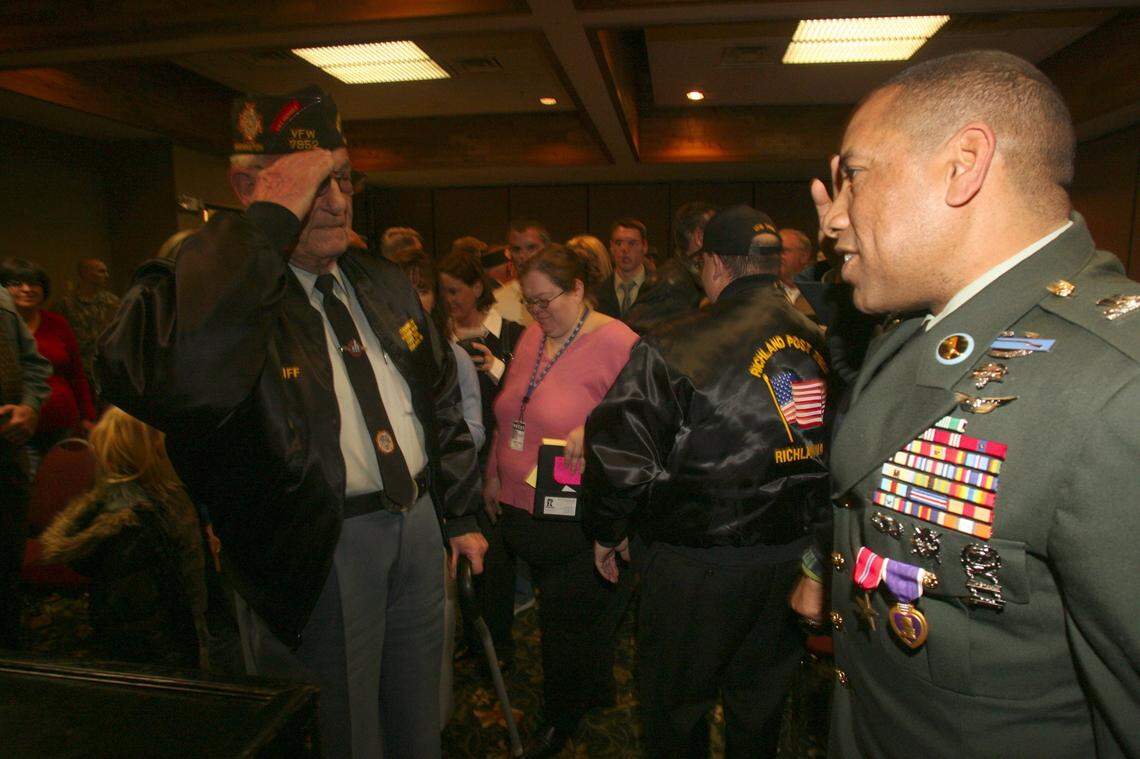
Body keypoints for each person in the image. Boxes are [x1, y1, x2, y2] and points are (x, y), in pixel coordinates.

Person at [97, 86, 486, 759]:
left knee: (420, 715)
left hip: (417, 526)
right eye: (311, 184)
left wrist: (461, 512)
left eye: (343, 178)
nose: (335, 200)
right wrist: (265, 229)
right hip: (316, 544)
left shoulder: (380, 278)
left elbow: (440, 395)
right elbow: (166, 376)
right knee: (342, 732)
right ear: (250, 187)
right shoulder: (230, 294)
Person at [789, 50, 1140, 758]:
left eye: (853, 177)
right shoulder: (925, 327)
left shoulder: (1116, 386)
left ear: (963, 163)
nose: (833, 218)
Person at [584, 205, 831, 758]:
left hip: (698, 564)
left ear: (716, 265)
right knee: (760, 706)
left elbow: (620, 454)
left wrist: (607, 528)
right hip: (792, 560)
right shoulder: (821, 339)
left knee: (676, 707)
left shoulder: (674, 342)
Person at [484, 243, 638, 757]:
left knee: (563, 623)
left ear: (578, 288)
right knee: (570, 615)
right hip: (517, 499)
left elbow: (649, 418)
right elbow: (509, 411)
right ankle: (591, 691)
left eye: (546, 300)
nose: (537, 312)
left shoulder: (617, 340)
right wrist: (491, 473)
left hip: (574, 507)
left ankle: (561, 718)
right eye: (529, 302)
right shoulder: (532, 336)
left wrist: (595, 427)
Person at [39, 407, 210, 669]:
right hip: (165, 657)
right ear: (150, 449)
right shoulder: (138, 524)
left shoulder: (149, 505)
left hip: (167, 640)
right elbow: (145, 618)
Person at [436, 247, 525, 667]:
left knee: (498, 557)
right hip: (455, 464)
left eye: (455, 290)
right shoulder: (438, 338)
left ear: (477, 287)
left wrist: (495, 367)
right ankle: (472, 640)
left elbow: (530, 399)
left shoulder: (511, 334)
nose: (449, 299)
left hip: (497, 461)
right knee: (460, 557)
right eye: (443, 292)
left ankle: (499, 645)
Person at [1, 258, 98, 456]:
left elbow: (77, 374)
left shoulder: (57, 323)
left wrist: (88, 416)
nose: (27, 289)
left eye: (34, 283)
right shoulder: (5, 328)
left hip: (62, 421)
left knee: (66, 479)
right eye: (17, 284)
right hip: (16, 427)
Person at [0, 284, 51, 649]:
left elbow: (34, 364)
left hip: (7, 456)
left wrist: (30, 406)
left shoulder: (2, 300)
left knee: (6, 563)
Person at [622, 201, 714, 334]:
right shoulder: (670, 283)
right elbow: (630, 337)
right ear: (699, 237)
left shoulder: (694, 278)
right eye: (716, 231)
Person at [55, 257, 121, 395]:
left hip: (107, 368)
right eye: (101, 272)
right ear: (85, 273)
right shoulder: (66, 305)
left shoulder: (113, 302)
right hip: (79, 371)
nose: (106, 276)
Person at [595, 218, 657, 321]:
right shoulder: (598, 293)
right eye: (618, 243)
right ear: (611, 247)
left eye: (632, 243)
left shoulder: (658, 288)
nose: (624, 249)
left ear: (644, 246)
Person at [495, 220, 550, 326]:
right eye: (516, 249)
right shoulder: (497, 302)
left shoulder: (567, 295)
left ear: (547, 248)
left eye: (531, 248)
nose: (523, 256)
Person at [777, 228, 819, 322]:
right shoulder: (763, 290)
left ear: (804, 256)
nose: (776, 256)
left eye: (783, 251)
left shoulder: (819, 292)